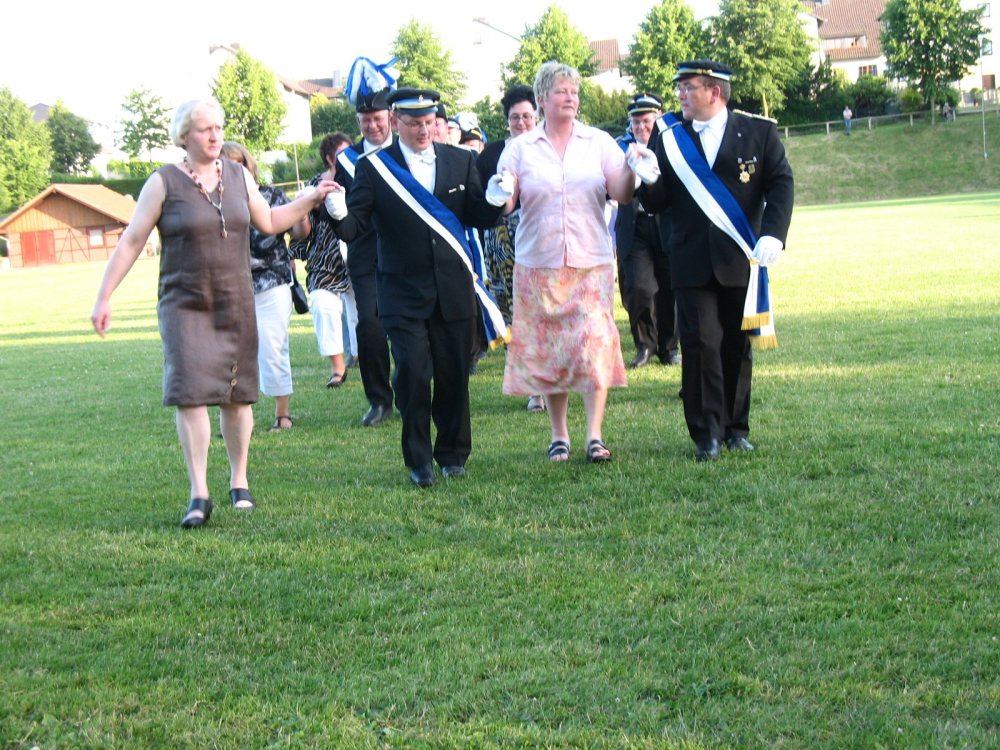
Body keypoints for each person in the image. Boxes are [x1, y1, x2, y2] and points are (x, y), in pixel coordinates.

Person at [91, 98, 335, 528]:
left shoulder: (239, 176)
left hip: (234, 299)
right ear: (184, 135)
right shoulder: (162, 182)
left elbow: (269, 220)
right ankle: (199, 493)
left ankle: (239, 481)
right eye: (205, 129)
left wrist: (311, 198)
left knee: (237, 395)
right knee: (190, 393)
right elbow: (132, 240)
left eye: (219, 128)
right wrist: (104, 296)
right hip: (183, 304)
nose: (215, 135)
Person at [327, 87, 507, 488]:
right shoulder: (375, 167)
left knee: (454, 374)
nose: (423, 130)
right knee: (412, 373)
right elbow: (354, 227)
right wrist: (337, 212)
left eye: (428, 122)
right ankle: (419, 460)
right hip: (402, 291)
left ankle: (453, 453)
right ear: (396, 122)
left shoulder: (460, 160)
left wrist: (495, 199)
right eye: (413, 123)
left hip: (453, 288)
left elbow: (477, 216)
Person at [636, 60, 794, 461]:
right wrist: (647, 181)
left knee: (736, 346)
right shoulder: (669, 136)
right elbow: (657, 202)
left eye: (688, 87)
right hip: (689, 258)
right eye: (680, 88)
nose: (680, 95)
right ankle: (706, 434)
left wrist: (774, 233)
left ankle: (736, 429)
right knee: (700, 344)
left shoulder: (759, 132)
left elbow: (780, 183)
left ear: (715, 92)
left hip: (739, 257)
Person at [497, 61, 637, 464]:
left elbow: (621, 192)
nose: (570, 98)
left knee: (594, 344)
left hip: (590, 261)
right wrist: (500, 191)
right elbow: (507, 202)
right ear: (542, 98)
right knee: (549, 351)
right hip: (538, 264)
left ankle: (594, 435)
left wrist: (632, 169)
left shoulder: (598, 142)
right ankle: (559, 434)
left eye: (574, 92)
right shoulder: (520, 148)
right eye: (561, 91)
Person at [220, 141, 307, 432]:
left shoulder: (271, 196)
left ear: (249, 166)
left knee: (272, 347)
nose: (234, 170)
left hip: (272, 281)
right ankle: (235, 416)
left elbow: (300, 233)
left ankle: (283, 414)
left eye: (239, 164)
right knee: (231, 353)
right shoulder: (212, 202)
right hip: (230, 286)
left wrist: (301, 211)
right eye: (226, 165)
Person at [476, 84, 546, 413]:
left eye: (527, 116)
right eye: (515, 117)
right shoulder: (491, 155)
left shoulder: (549, 149)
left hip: (543, 238)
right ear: (507, 120)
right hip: (502, 242)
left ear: (537, 116)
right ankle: (531, 384)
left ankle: (549, 380)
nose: (521, 123)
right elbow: (480, 201)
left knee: (542, 309)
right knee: (512, 311)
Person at [331, 87, 396, 427]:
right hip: (366, 253)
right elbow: (342, 212)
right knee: (369, 324)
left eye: (377, 118)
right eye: (365, 120)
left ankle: (413, 388)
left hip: (406, 252)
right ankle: (379, 399)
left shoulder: (405, 153)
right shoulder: (347, 160)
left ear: (390, 118)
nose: (372, 126)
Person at [614, 93, 680, 369]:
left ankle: (669, 348)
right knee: (639, 287)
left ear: (658, 118)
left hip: (666, 222)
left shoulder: (671, 143)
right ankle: (645, 345)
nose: (641, 127)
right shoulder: (620, 147)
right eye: (636, 122)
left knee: (669, 287)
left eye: (646, 121)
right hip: (635, 225)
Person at [292, 133, 354, 390]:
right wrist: (303, 209)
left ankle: (361, 355)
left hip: (357, 255)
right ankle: (337, 368)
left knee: (362, 314)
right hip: (324, 258)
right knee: (322, 305)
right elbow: (302, 234)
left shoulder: (361, 178)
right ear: (330, 159)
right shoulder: (313, 187)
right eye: (343, 154)